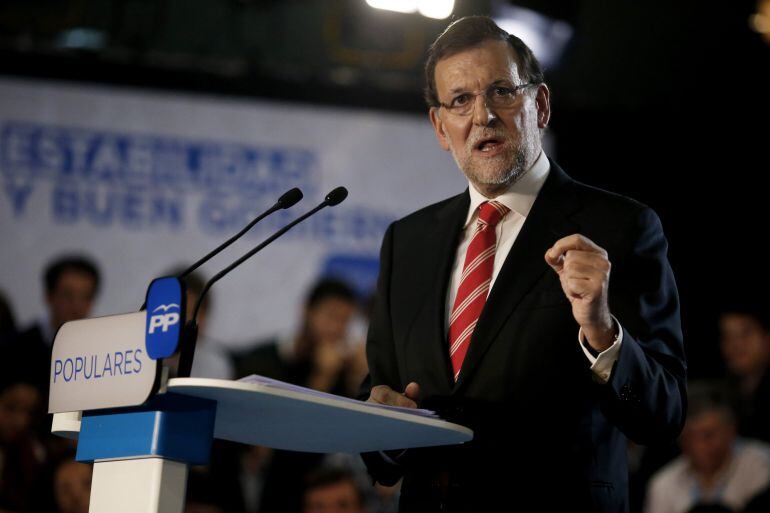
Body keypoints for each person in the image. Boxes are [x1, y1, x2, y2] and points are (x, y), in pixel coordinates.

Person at [360, 16, 686, 512]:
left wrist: (602, 333)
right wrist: (383, 425)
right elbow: (381, 411)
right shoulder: (407, 242)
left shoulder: (622, 227)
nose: (484, 115)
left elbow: (663, 416)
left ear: (541, 104)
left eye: (502, 92)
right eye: (461, 100)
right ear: (440, 127)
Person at [644, 382, 770, 513]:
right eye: (688, 437)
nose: (698, 445)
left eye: (708, 435)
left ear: (731, 430)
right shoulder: (663, 484)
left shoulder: (762, 465)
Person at [11, 255, 100, 393]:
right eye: (67, 295)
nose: (77, 306)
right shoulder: (15, 347)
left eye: (86, 297)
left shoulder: (99, 351)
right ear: (49, 296)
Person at [718, 303, 770, 442]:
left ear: (766, 338)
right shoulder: (722, 393)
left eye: (745, 334)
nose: (736, 345)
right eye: (727, 337)